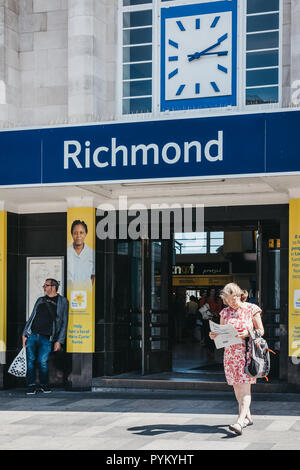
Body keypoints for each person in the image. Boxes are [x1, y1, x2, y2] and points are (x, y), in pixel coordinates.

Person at [209, 282, 264, 436]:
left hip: (247, 353)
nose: (231, 303)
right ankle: (247, 417)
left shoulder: (252, 309)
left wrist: (247, 333)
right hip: (230, 355)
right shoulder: (224, 313)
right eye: (227, 300)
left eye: (233, 299)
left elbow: (261, 331)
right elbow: (221, 333)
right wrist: (214, 335)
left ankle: (240, 422)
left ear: (240, 295)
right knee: (237, 389)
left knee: (245, 389)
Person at [22, 279, 69, 395]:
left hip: (47, 337)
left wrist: (59, 341)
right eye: (44, 285)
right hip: (32, 335)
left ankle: (44, 385)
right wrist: (24, 334)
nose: (44, 287)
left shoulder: (63, 301)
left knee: (42, 362)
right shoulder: (40, 300)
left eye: (46, 285)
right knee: (30, 361)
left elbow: (64, 323)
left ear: (53, 287)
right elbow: (32, 317)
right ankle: (31, 386)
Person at [67, 220, 95, 286]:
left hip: (86, 292)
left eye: (81, 232)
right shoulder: (67, 252)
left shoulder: (92, 253)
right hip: (69, 292)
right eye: (75, 233)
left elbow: (93, 275)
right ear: (72, 234)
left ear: (85, 234)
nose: (78, 236)